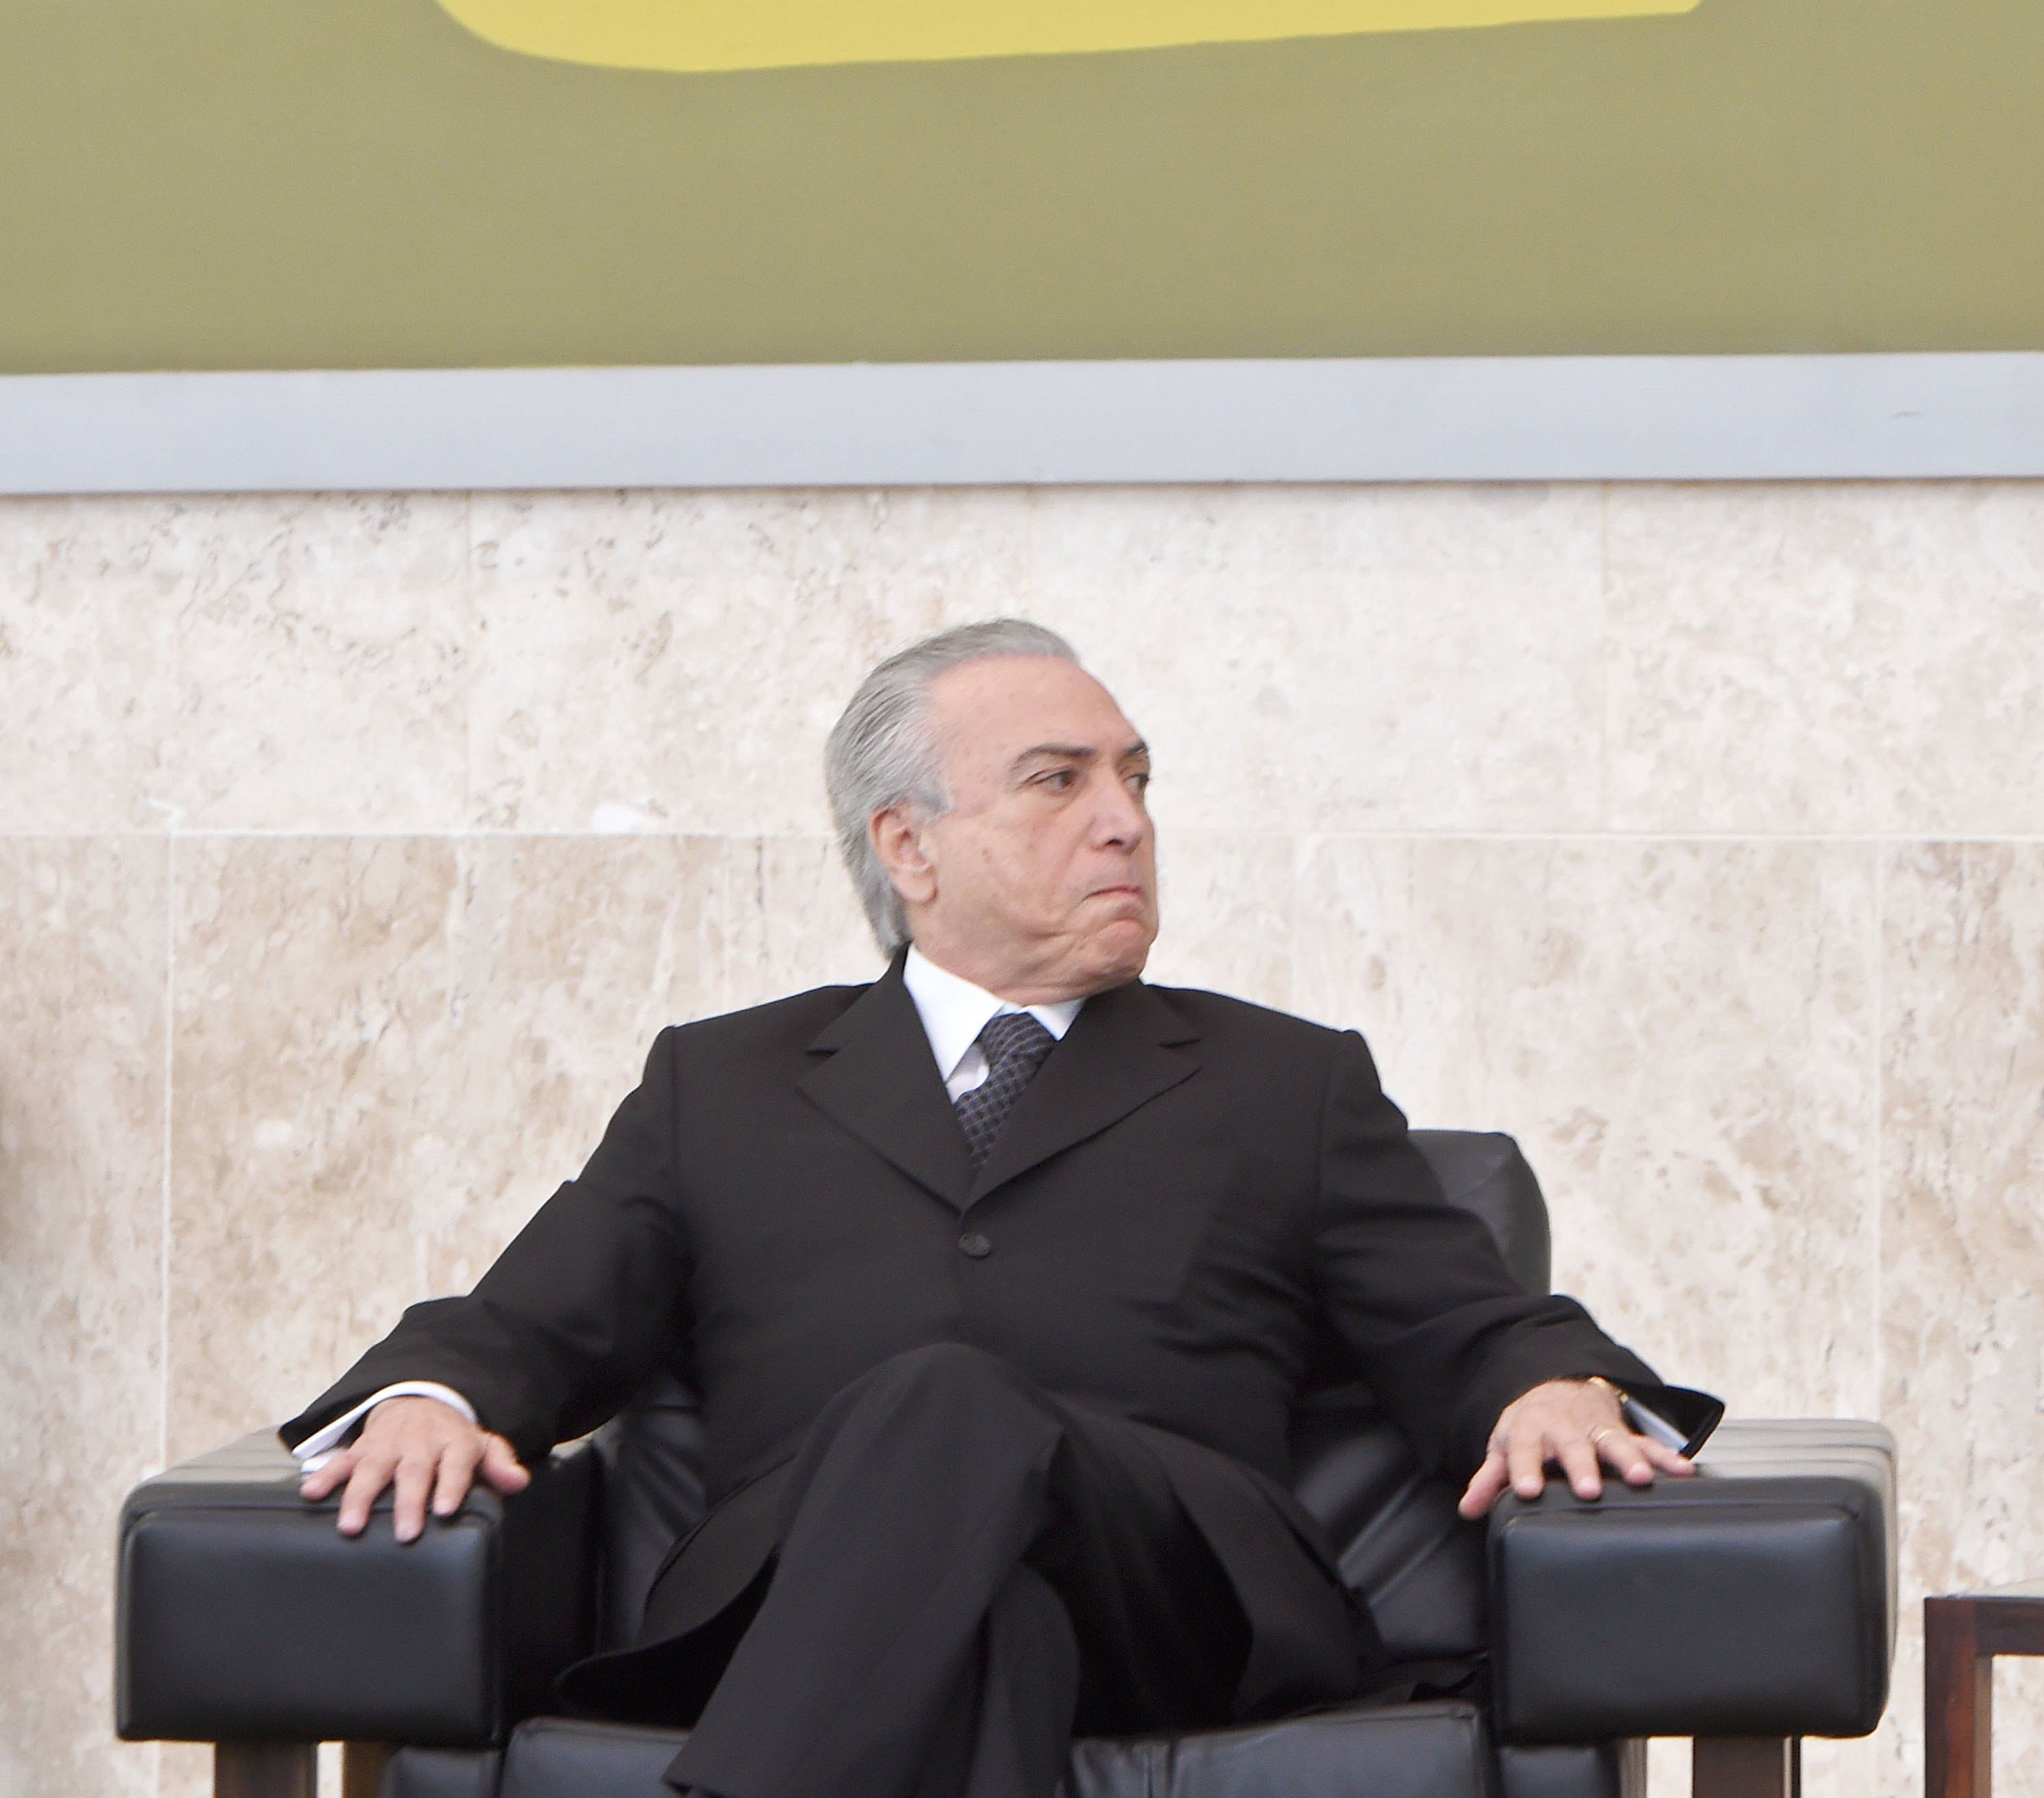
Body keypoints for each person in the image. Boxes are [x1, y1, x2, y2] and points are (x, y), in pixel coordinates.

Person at [286, 620, 1712, 1798]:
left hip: (1174, 1585)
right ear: (908, 844)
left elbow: (1470, 1321)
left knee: (949, 1396)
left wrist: (1555, 1384)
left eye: (1136, 778)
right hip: (799, 1583)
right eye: (1058, 780)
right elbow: (532, 1317)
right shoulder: (723, 1081)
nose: (1125, 820)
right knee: (990, 1621)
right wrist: (427, 1395)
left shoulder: (1288, 1080)